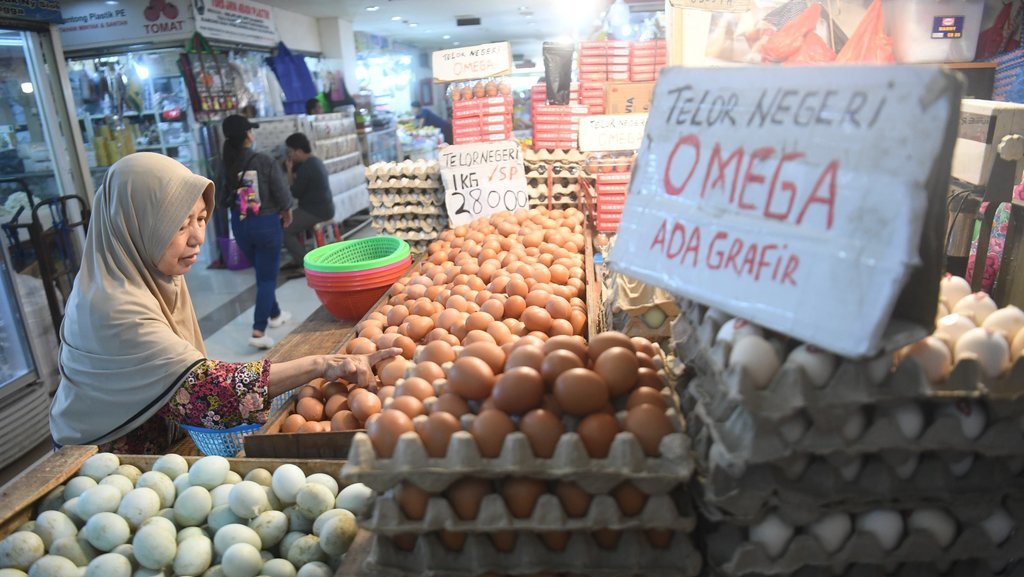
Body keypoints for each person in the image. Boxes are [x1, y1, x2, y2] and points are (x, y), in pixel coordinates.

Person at [49, 153, 401, 453]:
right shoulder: (112, 305)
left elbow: (181, 374)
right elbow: (203, 392)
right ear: (135, 223)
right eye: (180, 224)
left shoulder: (150, 273)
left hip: (162, 439)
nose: (197, 238)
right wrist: (321, 364)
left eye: (201, 219)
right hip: (101, 457)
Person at [221, 115, 294, 349]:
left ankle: (275, 315)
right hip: (266, 224)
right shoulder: (264, 160)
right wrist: (287, 211)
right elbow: (282, 194)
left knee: (263, 273)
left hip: (240, 225)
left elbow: (220, 196)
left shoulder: (225, 164)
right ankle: (258, 331)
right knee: (267, 277)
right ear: (247, 135)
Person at [282, 132, 335, 274]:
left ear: (299, 151)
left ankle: (304, 263)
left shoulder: (306, 168)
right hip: (324, 208)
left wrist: (288, 170)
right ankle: (299, 257)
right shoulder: (316, 161)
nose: (290, 155)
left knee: (284, 228)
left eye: (290, 152)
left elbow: (295, 193)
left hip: (315, 211)